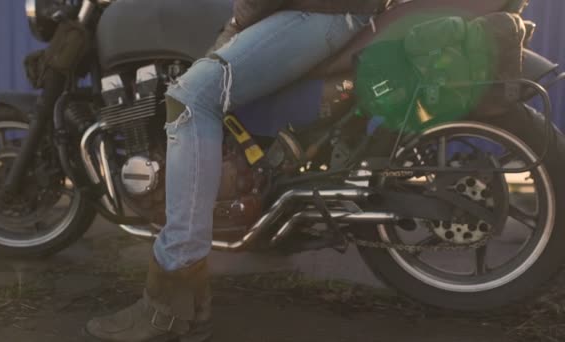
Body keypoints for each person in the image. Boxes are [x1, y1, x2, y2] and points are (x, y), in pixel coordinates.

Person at [85, 0, 387, 341]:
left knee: (189, 99)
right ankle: (193, 307)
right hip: (332, 10)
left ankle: (167, 299)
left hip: (322, 12)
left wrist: (237, 21)